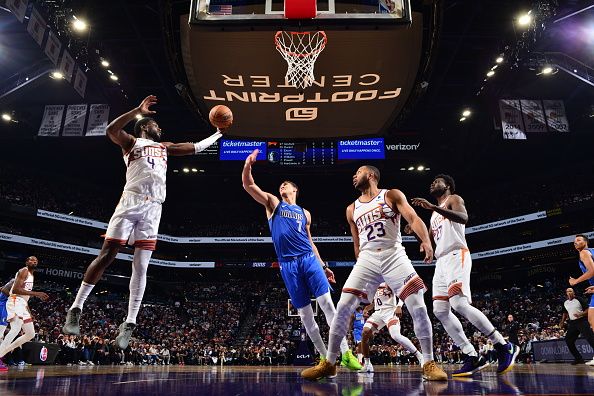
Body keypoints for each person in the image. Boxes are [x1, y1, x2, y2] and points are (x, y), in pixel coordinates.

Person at [62, 95, 225, 349]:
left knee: (141, 266)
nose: (160, 129)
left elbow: (194, 147)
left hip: (153, 208)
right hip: (131, 201)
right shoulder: (131, 142)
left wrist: (217, 135)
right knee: (108, 254)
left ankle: (130, 322)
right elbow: (111, 130)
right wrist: (137, 111)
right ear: (145, 127)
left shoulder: (165, 147)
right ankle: (76, 307)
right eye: (156, 126)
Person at [302, 165, 447, 381]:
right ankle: (329, 363)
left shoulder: (391, 194)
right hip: (367, 258)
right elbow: (356, 242)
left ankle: (428, 362)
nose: (353, 176)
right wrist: (359, 264)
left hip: (393, 253)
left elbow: (413, 218)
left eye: (357, 172)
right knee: (342, 307)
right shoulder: (351, 209)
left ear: (370, 175)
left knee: (417, 304)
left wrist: (426, 240)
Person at [241, 149, 361, 371]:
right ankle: (326, 360)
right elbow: (249, 186)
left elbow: (311, 242)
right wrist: (248, 165)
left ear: (295, 189)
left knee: (327, 305)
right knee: (306, 316)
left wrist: (324, 266)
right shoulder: (274, 204)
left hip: (308, 259)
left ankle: (345, 352)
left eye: (286, 184)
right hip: (288, 264)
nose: (282, 187)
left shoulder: (305, 213)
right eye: (281, 185)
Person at [411, 174, 518, 376]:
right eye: (432, 181)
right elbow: (432, 241)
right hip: (441, 261)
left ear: (448, 185)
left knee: (459, 304)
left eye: (437, 181)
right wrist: (419, 236)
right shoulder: (434, 215)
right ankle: (471, 355)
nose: (433, 183)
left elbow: (464, 218)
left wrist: (432, 207)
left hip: (456, 254)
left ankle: (503, 346)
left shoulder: (454, 199)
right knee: (440, 310)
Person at [358, 282, 423, 373]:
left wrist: (399, 306)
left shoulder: (388, 280)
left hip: (390, 311)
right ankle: (368, 364)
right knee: (365, 333)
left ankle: (420, 356)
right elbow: (375, 303)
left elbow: (402, 294)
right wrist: (366, 309)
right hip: (378, 313)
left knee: (395, 335)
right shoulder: (372, 284)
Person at [0, 256, 49, 371]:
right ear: (27, 262)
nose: (34, 261)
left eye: (36, 260)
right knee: (15, 329)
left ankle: (2, 352)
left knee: (30, 334)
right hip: (15, 300)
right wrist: (37, 294)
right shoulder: (24, 271)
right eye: (31, 260)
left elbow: (25, 297)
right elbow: (16, 290)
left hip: (22, 303)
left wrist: (29, 312)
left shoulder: (31, 275)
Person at [560, 287, 594, 365]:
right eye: (568, 291)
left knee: (590, 338)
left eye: (571, 291)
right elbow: (565, 313)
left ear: (573, 292)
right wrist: (562, 322)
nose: (569, 292)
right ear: (566, 293)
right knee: (568, 340)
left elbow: (588, 309)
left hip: (582, 321)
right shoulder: (565, 302)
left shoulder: (579, 299)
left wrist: (580, 314)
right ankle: (578, 358)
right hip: (573, 323)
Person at [570, 234, 594, 331]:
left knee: (592, 322)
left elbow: (592, 271)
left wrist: (575, 281)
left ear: (586, 242)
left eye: (579, 240)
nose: (575, 242)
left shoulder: (584, 252)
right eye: (574, 242)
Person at [0, 278, 15, 342]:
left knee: (1, 334)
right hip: (3, 305)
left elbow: (2, 288)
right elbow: (3, 289)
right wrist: (12, 297)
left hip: (4, 305)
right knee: (1, 332)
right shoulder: (14, 281)